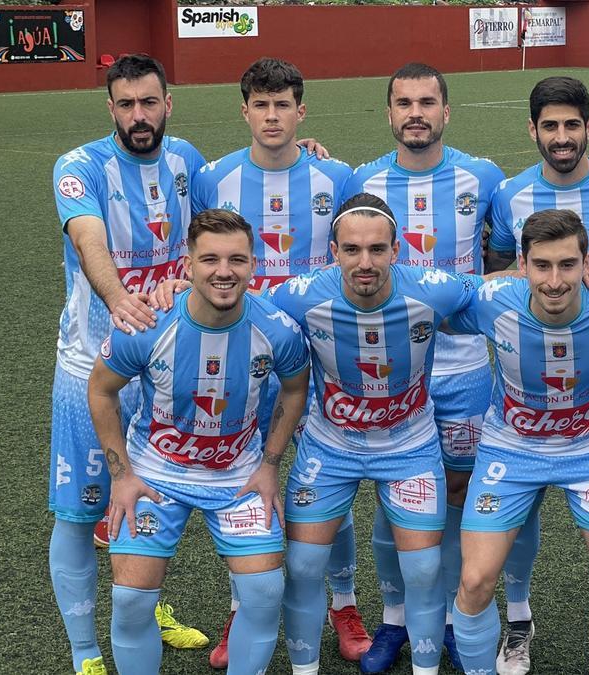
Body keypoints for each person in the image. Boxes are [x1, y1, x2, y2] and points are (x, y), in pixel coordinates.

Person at [189, 57, 364, 668]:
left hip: (320, 357)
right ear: (244, 111)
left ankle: (343, 601)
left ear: (301, 111)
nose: (272, 116)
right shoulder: (214, 178)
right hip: (240, 352)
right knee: (243, 477)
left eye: (282, 105)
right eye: (260, 105)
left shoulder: (336, 176)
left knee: (325, 482)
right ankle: (244, 607)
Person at [87, 208, 310, 675]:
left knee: (264, 594)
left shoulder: (278, 331)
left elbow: (294, 388)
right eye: (210, 259)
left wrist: (269, 465)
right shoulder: (150, 322)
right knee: (129, 600)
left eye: (237, 260)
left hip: (238, 475)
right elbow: (101, 389)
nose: (224, 272)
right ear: (187, 264)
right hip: (155, 473)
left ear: (254, 265)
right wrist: (122, 475)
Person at [485, 75, 589, 675]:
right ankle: (518, 619)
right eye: (549, 126)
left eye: (571, 125)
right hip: (524, 381)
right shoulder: (508, 194)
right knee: (518, 509)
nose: (562, 137)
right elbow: (500, 267)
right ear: (533, 130)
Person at [341, 62, 505, 674]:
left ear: (446, 111)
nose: (416, 112)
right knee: (392, 497)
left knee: (460, 495)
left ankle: (457, 619)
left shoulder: (484, 177)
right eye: (403, 102)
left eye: (427, 101)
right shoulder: (361, 180)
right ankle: (395, 621)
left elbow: (505, 265)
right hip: (388, 370)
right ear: (388, 113)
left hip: (463, 369)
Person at [272, 193, 478, 675]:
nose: (365, 263)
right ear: (333, 251)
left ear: (397, 249)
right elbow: (239, 305)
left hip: (408, 445)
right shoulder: (300, 295)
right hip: (330, 445)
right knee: (301, 566)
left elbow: (499, 289)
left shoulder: (435, 289)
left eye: (377, 250)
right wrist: (173, 288)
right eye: (352, 250)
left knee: (425, 570)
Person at [48, 53, 207, 675]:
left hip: (165, 366)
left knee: (153, 501)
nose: (138, 116)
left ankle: (148, 609)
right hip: (94, 366)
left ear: (168, 102)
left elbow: (213, 231)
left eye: (149, 102)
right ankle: (87, 652)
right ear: (109, 107)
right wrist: (118, 299)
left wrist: (305, 151)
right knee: (81, 508)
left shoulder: (187, 160)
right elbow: (87, 234)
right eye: (125, 104)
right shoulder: (79, 166)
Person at [449, 209, 589, 675]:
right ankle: (511, 633)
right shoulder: (493, 298)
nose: (555, 280)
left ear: (587, 262)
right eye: (542, 265)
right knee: (475, 580)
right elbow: (417, 294)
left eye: (567, 265)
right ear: (522, 265)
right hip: (511, 450)